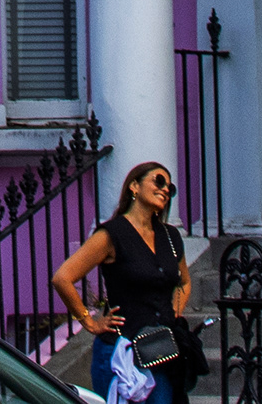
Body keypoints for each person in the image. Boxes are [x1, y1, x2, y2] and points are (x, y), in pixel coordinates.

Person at [53, 161, 194, 404]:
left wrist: (173, 313)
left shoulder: (170, 236)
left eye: (169, 188)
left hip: (160, 352)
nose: (164, 189)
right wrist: (89, 321)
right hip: (121, 352)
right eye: (158, 181)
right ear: (134, 186)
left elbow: (184, 282)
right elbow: (62, 278)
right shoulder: (112, 234)